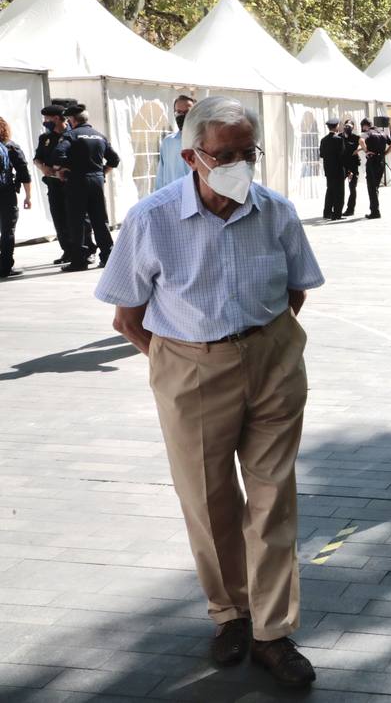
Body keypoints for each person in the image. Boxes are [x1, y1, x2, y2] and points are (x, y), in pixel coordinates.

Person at [95, 95, 324, 689]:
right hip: (190, 367)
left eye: (249, 152)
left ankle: (273, 633)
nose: (240, 164)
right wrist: (181, 364)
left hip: (272, 359)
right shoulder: (151, 219)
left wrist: (261, 341)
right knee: (209, 499)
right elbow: (127, 317)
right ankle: (231, 613)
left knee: (273, 499)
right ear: (193, 155)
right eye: (226, 154)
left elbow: (296, 290)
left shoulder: (276, 211)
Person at [54, 103, 119, 271]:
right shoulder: (99, 136)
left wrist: (64, 169)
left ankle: (79, 260)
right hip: (97, 181)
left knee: (76, 221)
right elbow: (114, 160)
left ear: (72, 120)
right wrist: (101, 171)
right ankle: (108, 257)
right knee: (100, 220)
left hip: (77, 181)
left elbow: (58, 155)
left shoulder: (71, 135)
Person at [32, 101, 89, 265]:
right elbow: (37, 158)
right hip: (54, 184)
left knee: (79, 219)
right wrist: (42, 167)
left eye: (47, 118)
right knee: (59, 218)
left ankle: (87, 250)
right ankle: (68, 251)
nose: (45, 122)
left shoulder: (74, 134)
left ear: (56, 118)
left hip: (72, 184)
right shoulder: (45, 138)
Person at [0, 116, 33, 279]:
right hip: (6, 193)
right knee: (7, 230)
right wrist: (28, 196)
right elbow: (24, 173)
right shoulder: (11, 147)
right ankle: (5, 267)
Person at [155, 94, 196, 190]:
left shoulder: (202, 141)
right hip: (172, 199)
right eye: (178, 112)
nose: (182, 116)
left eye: (187, 112)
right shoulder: (168, 142)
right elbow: (161, 177)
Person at [360, 118, 390, 219]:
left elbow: (361, 140)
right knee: (376, 186)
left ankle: (375, 211)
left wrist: (366, 151)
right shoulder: (383, 133)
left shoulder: (368, 133)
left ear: (365, 126)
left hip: (372, 161)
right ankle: (375, 209)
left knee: (371, 187)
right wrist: (384, 154)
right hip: (381, 160)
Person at [319, 118, 346, 220]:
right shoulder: (339, 140)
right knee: (339, 192)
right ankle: (337, 214)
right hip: (338, 169)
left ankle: (327, 212)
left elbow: (321, 154)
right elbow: (342, 155)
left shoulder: (323, 140)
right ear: (337, 126)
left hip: (328, 169)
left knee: (330, 190)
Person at [341, 120, 360, 216]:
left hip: (353, 165)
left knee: (352, 188)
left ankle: (350, 209)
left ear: (353, 127)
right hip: (342, 166)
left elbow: (366, 145)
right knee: (339, 188)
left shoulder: (356, 137)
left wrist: (358, 149)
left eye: (349, 125)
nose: (347, 127)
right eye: (346, 125)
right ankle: (337, 208)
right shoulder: (340, 136)